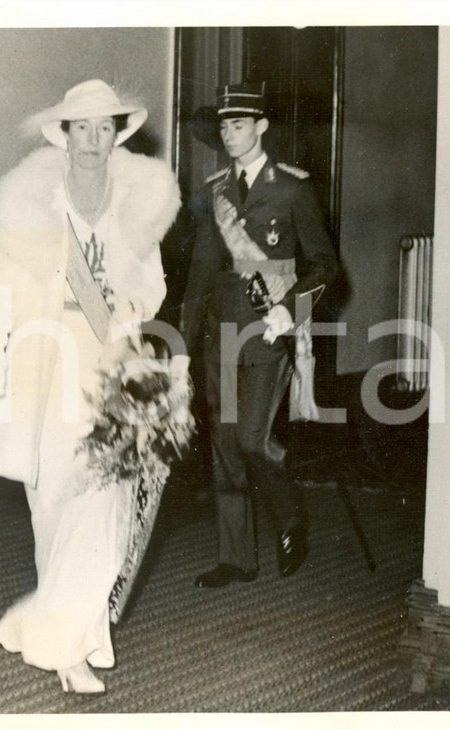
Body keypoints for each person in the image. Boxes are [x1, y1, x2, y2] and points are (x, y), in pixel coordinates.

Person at [0, 80, 181, 694]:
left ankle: (65, 644)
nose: (93, 140)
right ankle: (65, 635)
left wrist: (129, 309)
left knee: (107, 502)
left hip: (108, 359)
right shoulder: (32, 201)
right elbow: (0, 282)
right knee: (55, 501)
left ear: (117, 132)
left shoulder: (134, 201)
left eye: (103, 128)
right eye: (81, 128)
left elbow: (153, 282)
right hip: (45, 358)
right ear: (64, 134)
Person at [181, 81, 338, 589]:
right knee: (225, 442)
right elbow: (203, 269)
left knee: (251, 439)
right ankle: (236, 557)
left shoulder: (292, 187)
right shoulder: (214, 190)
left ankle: (290, 519)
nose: (230, 134)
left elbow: (325, 267)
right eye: (225, 125)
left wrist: (289, 313)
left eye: (240, 124)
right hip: (219, 331)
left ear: (262, 126)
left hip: (269, 328)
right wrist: (184, 338)